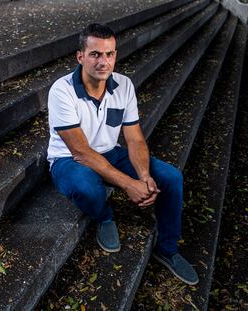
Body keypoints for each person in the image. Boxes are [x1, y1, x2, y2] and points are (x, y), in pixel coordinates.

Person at [47, 23, 198, 285]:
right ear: (80, 56)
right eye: (95, 54)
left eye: (110, 54)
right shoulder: (62, 90)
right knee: (86, 188)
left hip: (110, 153)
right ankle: (105, 217)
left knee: (170, 177)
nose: (103, 62)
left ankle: (167, 249)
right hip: (68, 159)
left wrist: (144, 175)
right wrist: (129, 184)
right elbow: (81, 152)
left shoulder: (124, 85)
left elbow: (135, 138)